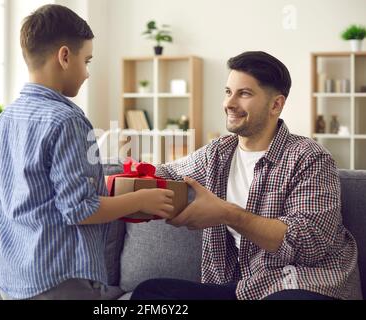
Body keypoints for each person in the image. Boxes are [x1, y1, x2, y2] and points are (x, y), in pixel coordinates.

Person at [131, 51, 360, 300]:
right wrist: (116, 181)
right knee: (150, 293)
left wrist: (226, 213)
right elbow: (168, 173)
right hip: (244, 288)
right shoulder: (217, 153)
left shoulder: (309, 157)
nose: (230, 103)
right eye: (228, 92)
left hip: (304, 284)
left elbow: (309, 243)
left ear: (276, 104)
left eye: (244, 94)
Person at [0, 4, 174, 300]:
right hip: (58, 280)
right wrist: (141, 199)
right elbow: (80, 209)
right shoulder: (67, 120)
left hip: (13, 277)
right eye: (87, 60)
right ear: (64, 56)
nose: (87, 73)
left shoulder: (4, 120)